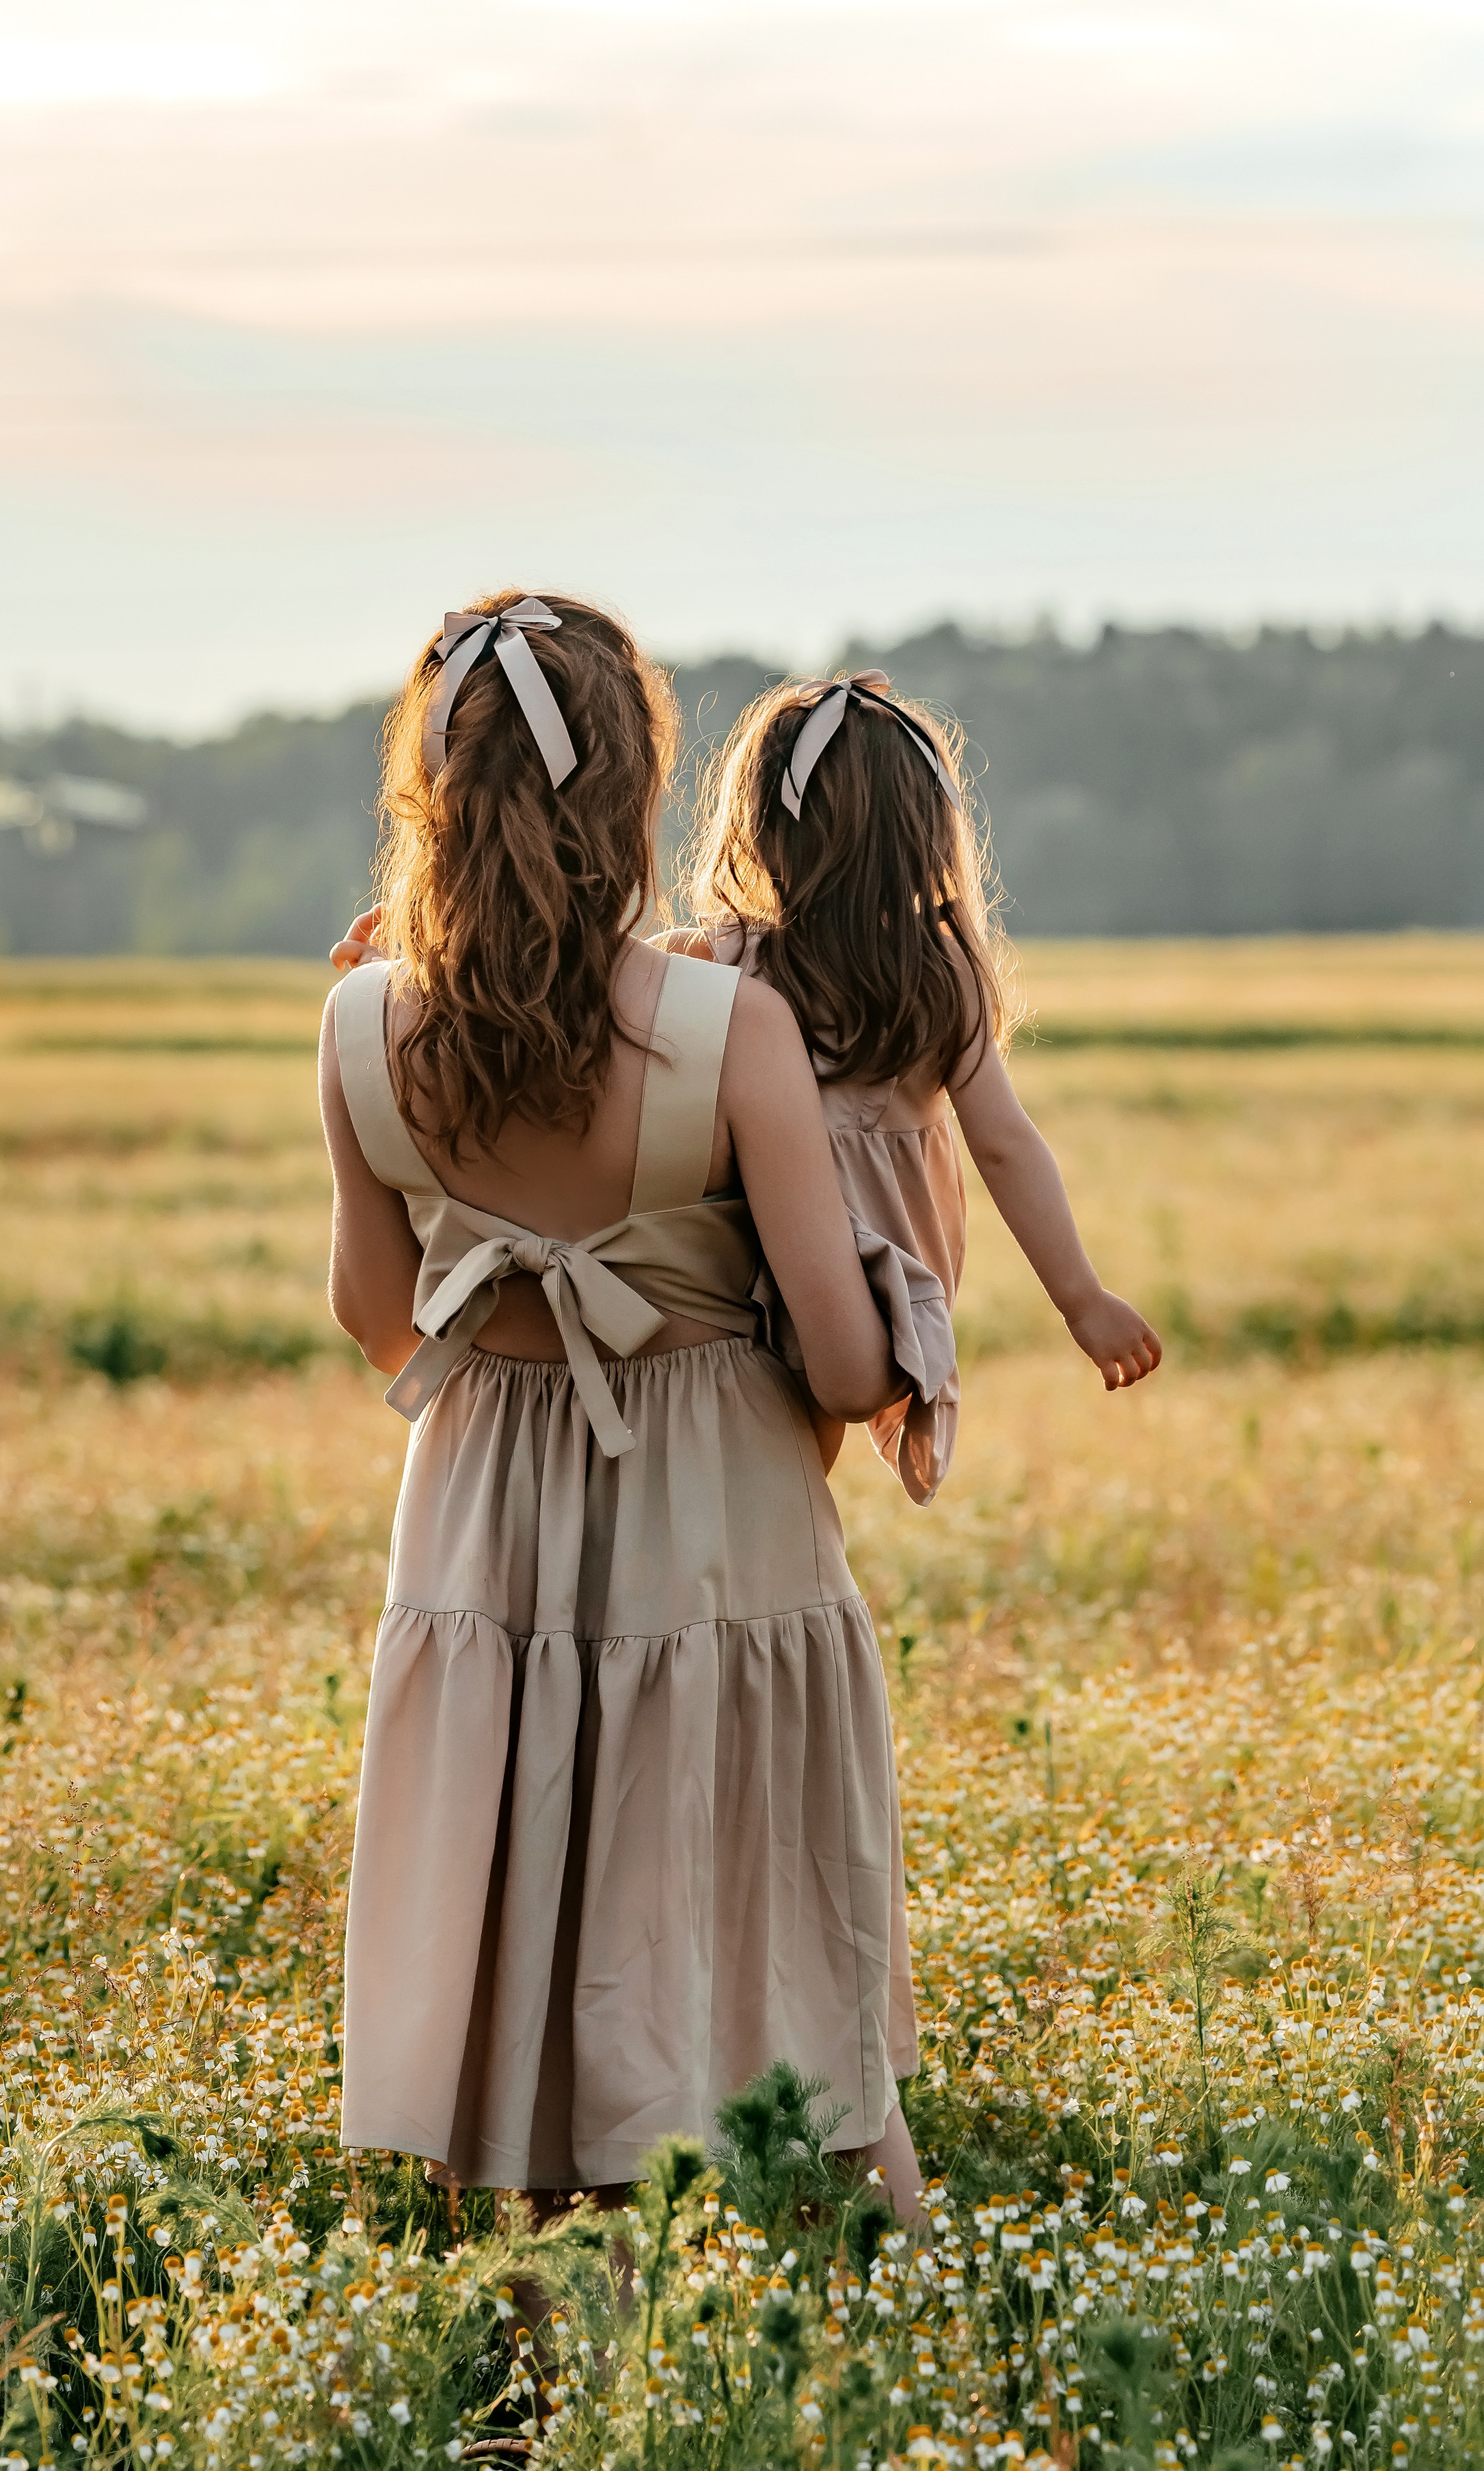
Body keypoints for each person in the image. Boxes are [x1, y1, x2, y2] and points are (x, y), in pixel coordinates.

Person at [320, 593, 925, 2217]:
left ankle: (543, 2356)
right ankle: (888, 2319)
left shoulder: (360, 1020)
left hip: (479, 1520)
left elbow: (374, 1313)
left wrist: (510, 1334)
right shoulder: (729, 1027)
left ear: (428, 790)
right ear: (630, 787)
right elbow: (846, 1357)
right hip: (715, 1526)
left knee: (527, 1912)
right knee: (782, 1946)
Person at [666, 672, 1161, 1495]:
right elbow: (1005, 1146)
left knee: (762, 1467)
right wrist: (1082, 1300)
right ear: (927, 831)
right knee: (793, 1471)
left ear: (762, 829)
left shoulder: (720, 957)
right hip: (875, 1285)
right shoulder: (939, 971)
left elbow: (591, 996)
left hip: (742, 1257)